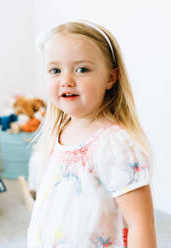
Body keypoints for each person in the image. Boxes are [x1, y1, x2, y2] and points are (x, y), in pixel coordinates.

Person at [28, 20, 157, 247]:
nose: (66, 80)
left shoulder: (113, 144)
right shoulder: (60, 131)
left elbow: (140, 223)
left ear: (110, 78)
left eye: (82, 69)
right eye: (55, 70)